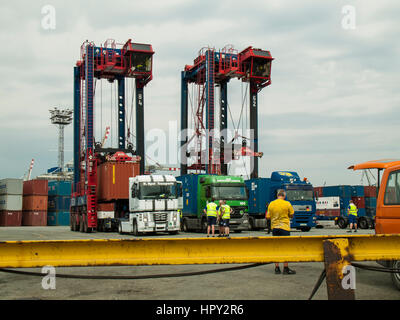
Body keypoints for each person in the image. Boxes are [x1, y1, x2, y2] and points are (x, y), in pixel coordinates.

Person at [266, 189, 296, 275]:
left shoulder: (271, 204)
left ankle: (277, 268)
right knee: (285, 248)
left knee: (276, 247)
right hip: (284, 228)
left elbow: (268, 216)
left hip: (275, 228)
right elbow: (291, 214)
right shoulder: (287, 204)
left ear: (277, 195)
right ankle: (286, 268)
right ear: (284, 196)